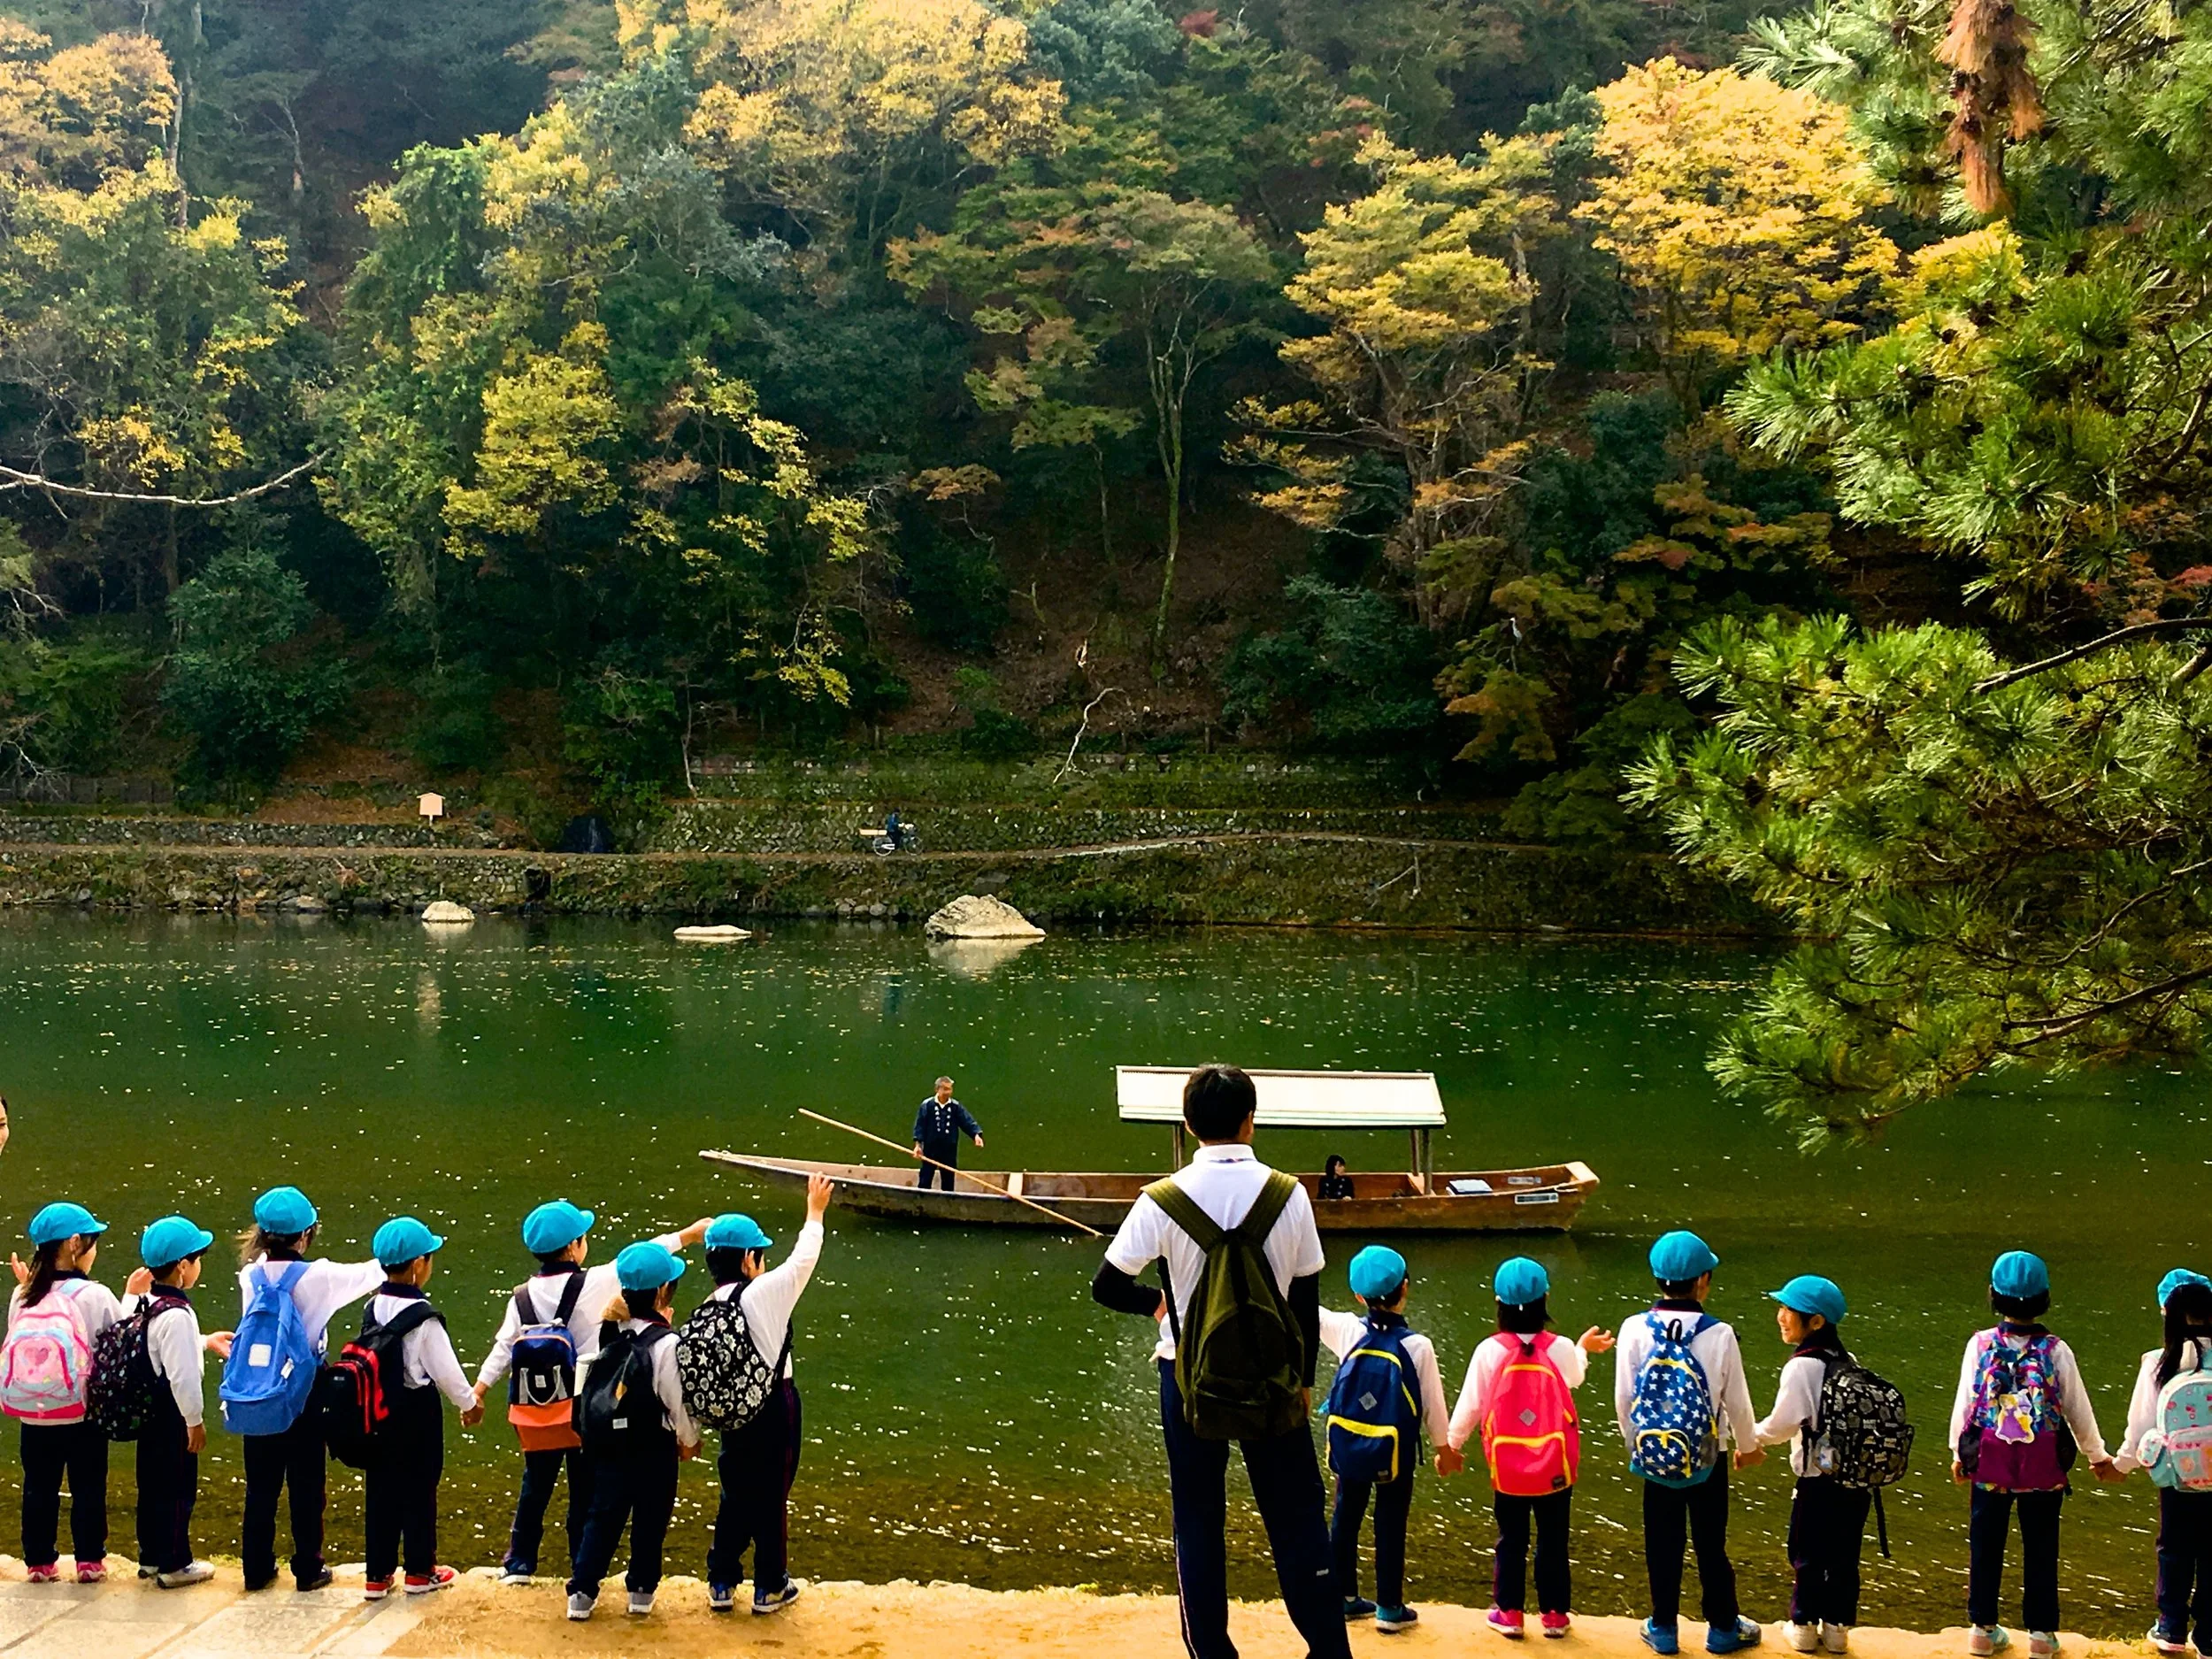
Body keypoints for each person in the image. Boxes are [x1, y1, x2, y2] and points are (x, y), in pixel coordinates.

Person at [1091, 1064, 1351, 1659]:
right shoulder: (1291, 1195)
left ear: (1187, 1123)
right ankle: (1327, 1648)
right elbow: (1305, 1301)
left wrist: (1159, 1303)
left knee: (1199, 1519)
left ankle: (1212, 1651)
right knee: (1296, 1517)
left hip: (1186, 1378)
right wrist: (1307, 1380)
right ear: (1250, 1121)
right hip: (1277, 1378)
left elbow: (1106, 1286)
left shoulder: (1162, 1200)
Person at [472, 1202, 710, 1583]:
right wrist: (690, 1235)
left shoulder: (520, 1297)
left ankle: (520, 1563)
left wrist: (479, 1391)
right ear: (572, 1248)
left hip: (539, 1410)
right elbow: (643, 1258)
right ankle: (580, 1566)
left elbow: (503, 1348)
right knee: (584, 1490)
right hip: (586, 1410)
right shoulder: (597, 1281)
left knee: (535, 1484)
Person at [1949, 1249, 2122, 1659]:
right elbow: (2078, 1409)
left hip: (1989, 1464)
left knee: (1985, 1544)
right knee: (2042, 1547)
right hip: (2043, 1469)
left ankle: (1981, 1628)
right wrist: (2097, 1456)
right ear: (2045, 1298)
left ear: (1993, 1295)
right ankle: (2042, 1636)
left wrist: (1959, 1453)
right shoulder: (2056, 1351)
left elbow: (1966, 1404)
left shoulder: (1980, 1344)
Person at [1445, 1256, 1613, 1639]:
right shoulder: (1561, 1347)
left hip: (1507, 1467)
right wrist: (1584, 1348)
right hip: (1555, 1464)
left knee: (1511, 1538)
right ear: (1546, 1297)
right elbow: (1575, 1377)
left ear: (1498, 1303)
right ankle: (1554, 1615)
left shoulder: (1489, 1351)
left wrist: (1452, 1446)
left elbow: (1470, 1405)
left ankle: (1510, 1612)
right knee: (1554, 1538)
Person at [1615, 1229, 1764, 1657]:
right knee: (1710, 1543)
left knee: (1661, 1542)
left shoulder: (1633, 1329)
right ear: (1702, 1281)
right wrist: (1748, 1445)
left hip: (1654, 1456)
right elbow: (1736, 1400)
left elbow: (1625, 1398)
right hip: (1706, 1457)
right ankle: (1721, 1628)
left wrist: (1637, 1445)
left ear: (1657, 1279)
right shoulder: (1719, 1334)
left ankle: (1663, 1627)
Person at [229, 1185, 385, 1592]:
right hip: (306, 1388)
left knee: (260, 1483)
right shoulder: (321, 1276)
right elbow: (378, 1270)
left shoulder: (250, 1276)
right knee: (307, 1482)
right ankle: (308, 1567)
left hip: (259, 1385)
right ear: (305, 1235)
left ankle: (257, 1568)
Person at [699, 1173, 831, 1615]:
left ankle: (721, 1581)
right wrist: (815, 1211)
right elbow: (804, 1258)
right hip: (774, 1405)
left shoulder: (710, 1307)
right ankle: (770, 1585)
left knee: (734, 1490)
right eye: (761, 1254)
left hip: (733, 1413)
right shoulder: (766, 1293)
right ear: (749, 1258)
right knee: (772, 1494)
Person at [4, 1202, 149, 1583]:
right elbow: (123, 1342)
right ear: (74, 1244)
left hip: (33, 1409)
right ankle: (88, 1560)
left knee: (38, 1484)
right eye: (92, 1241)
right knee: (87, 1484)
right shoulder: (95, 1295)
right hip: (82, 1410)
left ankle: (38, 1562)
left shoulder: (22, 1296)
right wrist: (132, 1297)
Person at [566, 1240, 702, 1621]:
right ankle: (640, 1593)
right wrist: (688, 1440)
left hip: (608, 1445)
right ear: (662, 1292)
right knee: (650, 1519)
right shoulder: (667, 1343)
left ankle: (581, 1593)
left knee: (602, 1517)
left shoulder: (611, 1331)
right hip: (652, 1448)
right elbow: (675, 1399)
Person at [1318, 1243, 1450, 1632]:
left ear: (1358, 1295)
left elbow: (1309, 1312)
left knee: (1345, 1516)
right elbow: (1433, 1406)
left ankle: (1342, 1597)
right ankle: (1390, 1608)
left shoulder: (1346, 1329)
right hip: (1396, 1454)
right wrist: (1445, 1449)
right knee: (1390, 1522)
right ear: (1405, 1287)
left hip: (1350, 1445)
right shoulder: (1418, 1346)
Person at [358, 1216, 484, 1601]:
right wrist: (470, 1403)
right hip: (416, 1415)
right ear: (417, 1266)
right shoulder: (423, 1320)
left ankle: (377, 1576)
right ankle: (419, 1570)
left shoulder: (372, 1307)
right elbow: (445, 1371)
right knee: (419, 1491)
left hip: (376, 1413)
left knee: (380, 1492)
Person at [1751, 1276, 1866, 1655]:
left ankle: (1802, 1625)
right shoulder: (1849, 1361)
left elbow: (1783, 1424)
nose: (1780, 1316)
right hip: (1854, 1481)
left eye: (1789, 1311)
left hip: (1816, 1480)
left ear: (1816, 1322)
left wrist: (1750, 1437)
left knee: (1806, 1551)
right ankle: (1837, 1630)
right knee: (1845, 1553)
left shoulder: (1802, 1367)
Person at [2116, 1270, 2212, 1656]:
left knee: (2173, 1547)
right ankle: (2208, 1635)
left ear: (2165, 1313)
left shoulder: (2159, 1361)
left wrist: (2120, 1465)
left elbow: (2139, 1427)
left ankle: (2170, 1627)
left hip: (2177, 1478)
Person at [136, 1215, 234, 1588]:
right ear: (182, 1267)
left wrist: (204, 1339)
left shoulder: (147, 1302)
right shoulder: (178, 1314)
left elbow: (157, 1349)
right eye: (196, 1258)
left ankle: (150, 1557)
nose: (198, 1265)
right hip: (173, 1416)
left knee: (151, 1486)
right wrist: (194, 1420)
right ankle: (175, 1562)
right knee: (178, 1488)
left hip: (148, 1412)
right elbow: (184, 1376)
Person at [911, 1076, 983, 1191]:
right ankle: (922, 1199)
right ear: (937, 1090)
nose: (948, 1092)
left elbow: (967, 1121)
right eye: (945, 1089)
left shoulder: (955, 1107)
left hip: (949, 1149)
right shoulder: (927, 1106)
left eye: (949, 1089)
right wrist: (918, 1146)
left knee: (948, 1178)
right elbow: (919, 1126)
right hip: (931, 1148)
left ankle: (948, 1201)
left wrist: (976, 1135)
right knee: (926, 1176)